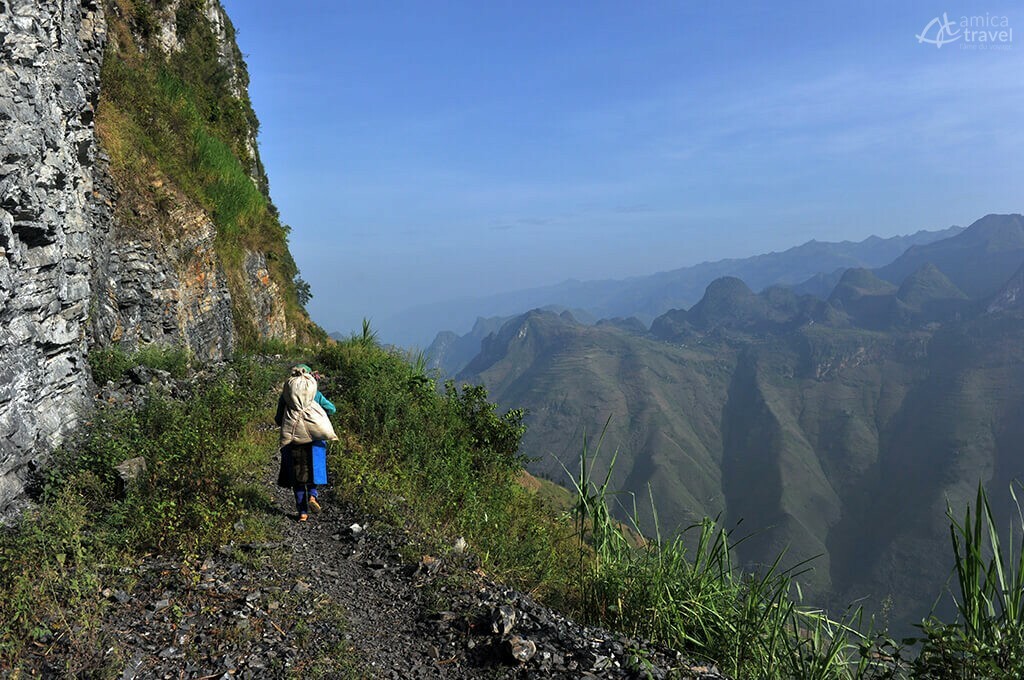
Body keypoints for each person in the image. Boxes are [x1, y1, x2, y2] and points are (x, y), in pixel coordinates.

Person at [275, 364, 338, 521]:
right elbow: (332, 409)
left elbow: (278, 420)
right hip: (314, 440)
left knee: (298, 475)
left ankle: (302, 512)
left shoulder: (286, 396)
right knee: (313, 470)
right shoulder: (315, 394)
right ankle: (313, 496)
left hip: (294, 440)